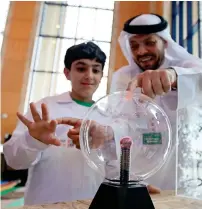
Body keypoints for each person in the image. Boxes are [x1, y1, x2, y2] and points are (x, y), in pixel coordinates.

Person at [3, 42, 108, 205]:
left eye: (96, 70)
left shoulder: (108, 115)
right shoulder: (43, 109)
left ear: (102, 75)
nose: (89, 75)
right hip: (46, 203)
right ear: (67, 73)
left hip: (94, 202)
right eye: (81, 69)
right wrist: (34, 140)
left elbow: (115, 165)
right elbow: (13, 161)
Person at [110, 13, 202, 190]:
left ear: (165, 43)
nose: (141, 51)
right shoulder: (123, 77)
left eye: (149, 43)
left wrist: (173, 75)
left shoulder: (188, 66)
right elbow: (120, 124)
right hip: (140, 179)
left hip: (185, 177)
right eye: (134, 45)